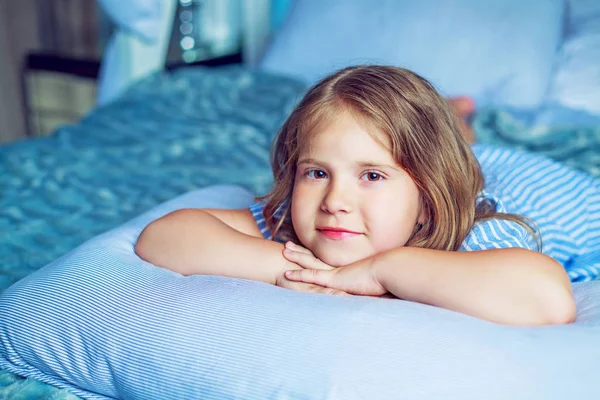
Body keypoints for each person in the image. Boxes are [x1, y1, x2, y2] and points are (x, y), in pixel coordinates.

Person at [135, 65, 587, 326]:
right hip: (446, 166)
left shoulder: (474, 237)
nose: (334, 200)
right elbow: (165, 235)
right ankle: (454, 124)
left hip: (546, 183)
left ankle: (459, 121)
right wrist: (291, 270)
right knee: (451, 148)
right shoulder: (296, 225)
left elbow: (546, 299)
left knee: (473, 154)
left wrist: (381, 269)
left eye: (370, 176)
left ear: (428, 200)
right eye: (316, 172)